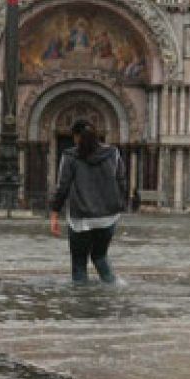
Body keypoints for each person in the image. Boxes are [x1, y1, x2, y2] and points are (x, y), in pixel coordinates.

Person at [49, 120, 127, 285]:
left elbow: (62, 187)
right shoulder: (113, 153)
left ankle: (80, 302)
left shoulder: (69, 156)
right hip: (108, 217)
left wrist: (54, 214)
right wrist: (119, 205)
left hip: (81, 219)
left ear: (76, 137)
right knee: (100, 256)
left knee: (79, 262)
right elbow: (121, 181)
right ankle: (114, 288)